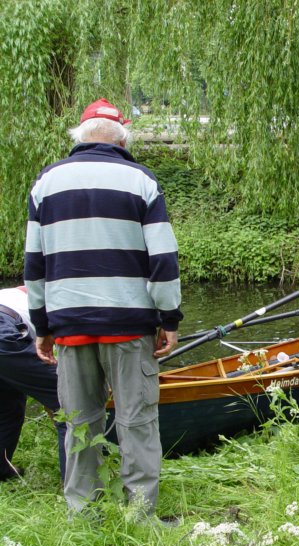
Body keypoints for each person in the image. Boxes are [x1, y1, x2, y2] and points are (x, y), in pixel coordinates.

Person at [24, 98, 183, 519]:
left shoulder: (46, 183)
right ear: (123, 137)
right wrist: (169, 319)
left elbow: (34, 265)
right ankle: (140, 515)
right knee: (137, 421)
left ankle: (83, 514)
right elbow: (163, 260)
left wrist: (41, 325)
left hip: (68, 323)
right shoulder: (141, 180)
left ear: (80, 135)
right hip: (129, 324)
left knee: (79, 423)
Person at [0, 285, 66, 482]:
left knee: (7, 406)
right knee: (69, 401)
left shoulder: (20, 292)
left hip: (7, 331)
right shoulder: (59, 297)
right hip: (4, 333)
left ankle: (1, 470)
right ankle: (79, 491)